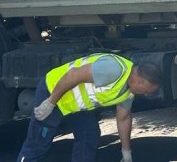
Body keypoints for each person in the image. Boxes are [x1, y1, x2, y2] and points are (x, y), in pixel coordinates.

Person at [16, 53, 162, 162]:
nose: (147, 95)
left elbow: (123, 118)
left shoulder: (128, 91)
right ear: (140, 81)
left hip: (75, 106)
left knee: (89, 135)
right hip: (53, 91)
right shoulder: (114, 70)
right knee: (38, 142)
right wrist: (50, 103)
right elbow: (73, 75)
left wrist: (126, 151)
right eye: (147, 91)